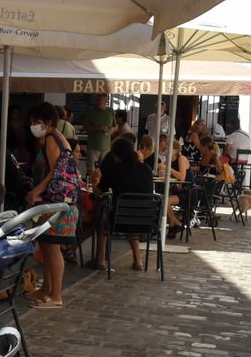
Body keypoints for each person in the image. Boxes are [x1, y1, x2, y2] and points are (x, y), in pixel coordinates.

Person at [24, 102, 81, 308]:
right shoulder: (57, 138)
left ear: (47, 122)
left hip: (56, 204)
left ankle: (56, 295)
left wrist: (35, 192)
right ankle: (46, 290)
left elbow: (54, 173)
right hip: (55, 202)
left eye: (35, 122)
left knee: (53, 249)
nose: (33, 126)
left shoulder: (51, 138)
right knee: (47, 246)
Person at [94, 136, 155, 271]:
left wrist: (96, 179)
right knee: (130, 212)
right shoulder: (147, 169)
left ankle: (100, 261)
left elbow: (98, 193)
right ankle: (138, 261)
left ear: (117, 155)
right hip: (146, 221)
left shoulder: (115, 170)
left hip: (120, 220)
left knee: (104, 222)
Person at [83, 94, 115, 171]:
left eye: (100, 100)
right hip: (93, 148)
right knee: (91, 170)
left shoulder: (110, 111)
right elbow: (85, 127)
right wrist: (98, 128)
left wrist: (112, 130)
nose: (97, 102)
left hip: (106, 148)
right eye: (97, 100)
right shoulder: (91, 110)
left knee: (105, 170)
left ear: (106, 101)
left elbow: (115, 126)